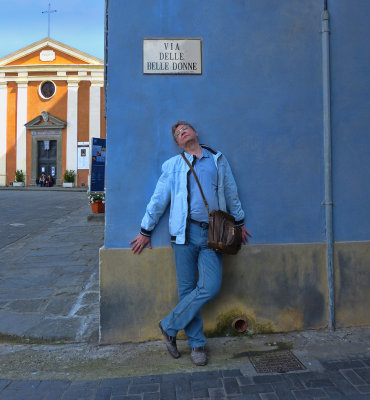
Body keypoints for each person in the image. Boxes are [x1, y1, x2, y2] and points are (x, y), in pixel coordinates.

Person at [130, 121, 251, 366]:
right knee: (187, 290)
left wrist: (238, 222)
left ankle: (169, 326)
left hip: (213, 235)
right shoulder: (173, 166)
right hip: (183, 235)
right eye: (177, 133)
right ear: (178, 143)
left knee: (210, 286)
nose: (181, 132)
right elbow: (158, 200)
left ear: (195, 133)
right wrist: (146, 230)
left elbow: (231, 191)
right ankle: (197, 345)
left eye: (185, 128)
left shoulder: (218, 160)